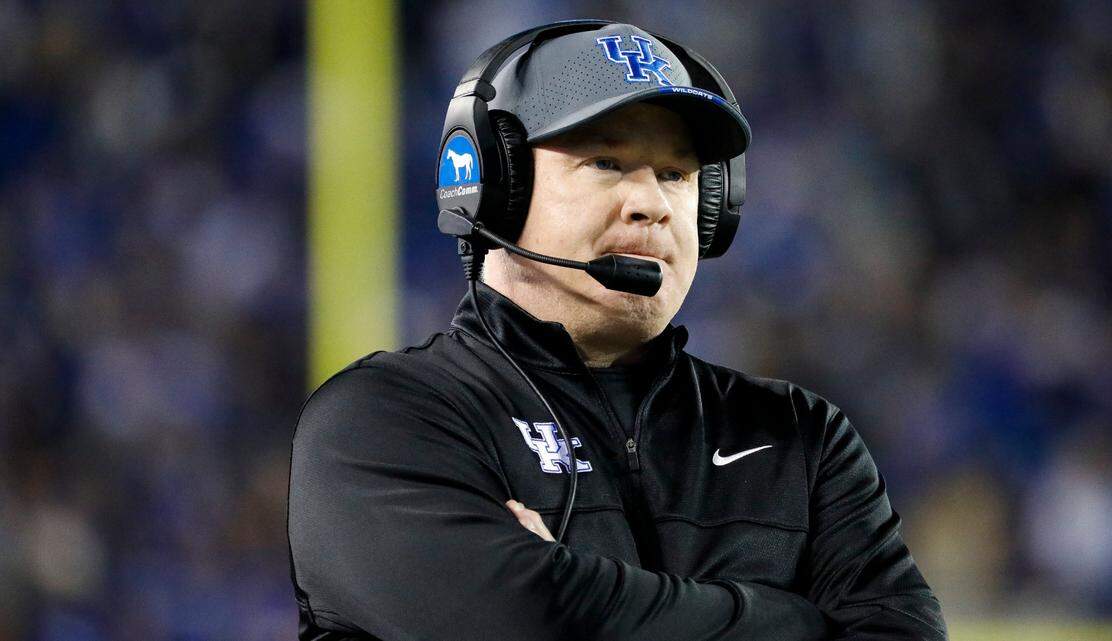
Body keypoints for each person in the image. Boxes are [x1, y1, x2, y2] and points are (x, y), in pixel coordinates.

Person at [287, 21, 947, 641]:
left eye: (676, 174)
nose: (653, 204)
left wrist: (579, 596)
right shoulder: (381, 421)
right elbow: (521, 619)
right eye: (605, 162)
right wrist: (798, 622)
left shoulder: (802, 439)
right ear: (495, 186)